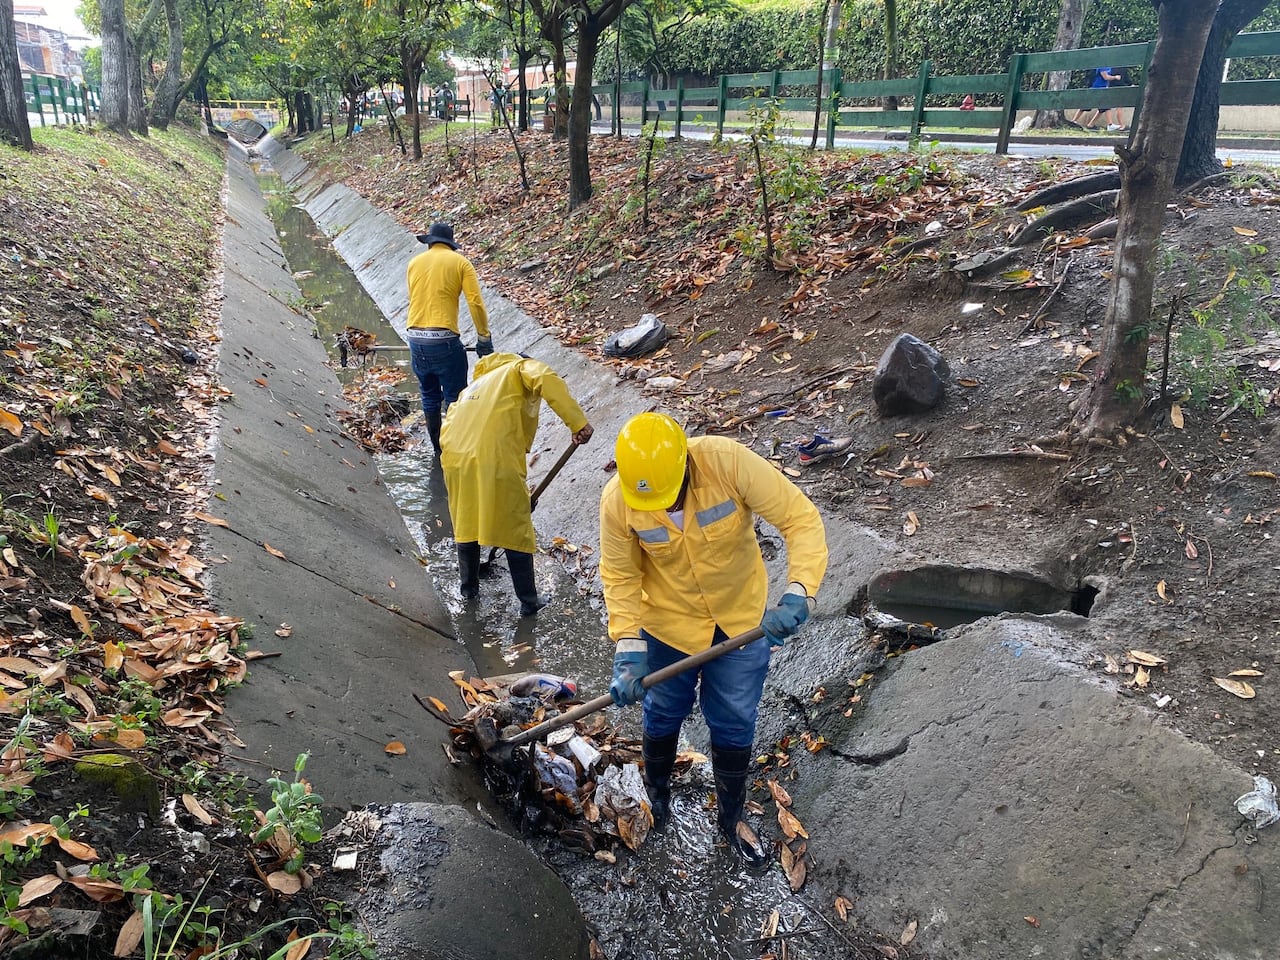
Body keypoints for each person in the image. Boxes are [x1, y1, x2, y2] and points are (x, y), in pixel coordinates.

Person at [599, 413, 828, 867]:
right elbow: (621, 578)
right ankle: (657, 798)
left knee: (735, 720)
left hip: (740, 624)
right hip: (667, 627)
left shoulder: (728, 462)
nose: (663, 509)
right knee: (662, 711)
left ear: (685, 462)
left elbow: (800, 519)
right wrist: (628, 651)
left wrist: (799, 590)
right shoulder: (618, 502)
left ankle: (730, 815)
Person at [440, 353, 593, 616]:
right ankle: (529, 601)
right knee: (514, 523)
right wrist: (577, 422)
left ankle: (469, 591)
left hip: (454, 457)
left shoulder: (474, 386)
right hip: (493, 454)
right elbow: (545, 377)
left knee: (466, 520)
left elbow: (450, 420)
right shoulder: (518, 367)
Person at [405, 222, 493, 455]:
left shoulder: (414, 264)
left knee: (429, 395)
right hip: (443, 340)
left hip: (415, 339)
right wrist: (483, 337)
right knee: (455, 398)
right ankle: (457, 451)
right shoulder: (461, 263)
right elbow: (475, 302)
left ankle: (438, 451)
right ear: (451, 245)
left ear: (430, 243)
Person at [1072, 66, 1121, 131]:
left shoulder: (1109, 67)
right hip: (1096, 89)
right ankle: (1074, 121)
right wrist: (1115, 77)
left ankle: (1092, 124)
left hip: (1102, 89)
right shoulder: (1102, 66)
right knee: (1086, 106)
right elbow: (1105, 77)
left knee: (1104, 107)